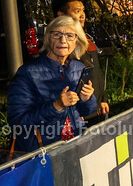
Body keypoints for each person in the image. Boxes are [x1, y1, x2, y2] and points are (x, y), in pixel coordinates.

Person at [7, 15, 95, 152]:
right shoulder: (28, 73)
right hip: (44, 153)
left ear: (77, 41)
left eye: (69, 35)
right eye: (57, 34)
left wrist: (87, 99)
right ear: (48, 38)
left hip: (77, 146)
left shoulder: (78, 68)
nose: (63, 40)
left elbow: (87, 111)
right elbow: (17, 124)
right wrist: (56, 106)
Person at [52, 0, 109, 123]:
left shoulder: (87, 38)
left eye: (83, 11)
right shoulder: (59, 45)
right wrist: (76, 112)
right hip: (79, 115)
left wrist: (102, 99)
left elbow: (95, 73)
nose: (83, 15)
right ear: (61, 15)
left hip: (95, 108)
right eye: (77, 11)